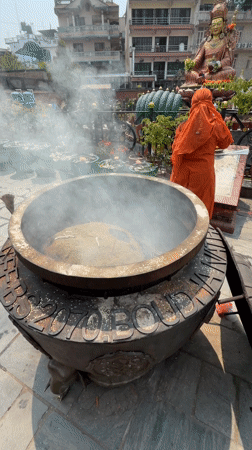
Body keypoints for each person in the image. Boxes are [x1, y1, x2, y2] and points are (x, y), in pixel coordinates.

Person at [170, 88, 233, 219]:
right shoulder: (215, 126)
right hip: (203, 175)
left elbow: (176, 148)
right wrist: (218, 118)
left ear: (193, 103)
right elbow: (225, 143)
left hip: (181, 173)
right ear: (210, 102)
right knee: (200, 210)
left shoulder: (183, 126)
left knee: (179, 207)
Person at [185, 2, 238, 84]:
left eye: (218, 24)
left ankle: (204, 78)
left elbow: (227, 59)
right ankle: (201, 78)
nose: (216, 27)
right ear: (210, 27)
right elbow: (199, 58)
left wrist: (218, 64)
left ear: (223, 24)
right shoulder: (206, 42)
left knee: (231, 72)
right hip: (202, 71)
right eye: (214, 24)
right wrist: (191, 63)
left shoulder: (225, 41)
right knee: (187, 72)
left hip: (216, 71)